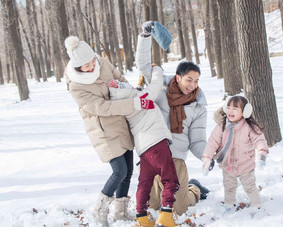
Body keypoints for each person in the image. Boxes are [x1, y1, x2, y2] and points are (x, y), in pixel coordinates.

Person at [63, 36, 155, 226]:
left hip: (122, 122)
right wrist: (133, 104)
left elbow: (120, 78)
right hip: (103, 130)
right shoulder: (76, 86)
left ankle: (120, 212)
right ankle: (100, 209)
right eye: (86, 66)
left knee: (128, 170)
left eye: (92, 61)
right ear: (77, 67)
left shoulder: (102, 63)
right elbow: (102, 107)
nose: (91, 66)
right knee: (119, 171)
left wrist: (129, 90)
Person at [139, 22, 210, 216]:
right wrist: (144, 37)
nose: (193, 85)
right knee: (152, 207)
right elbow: (144, 66)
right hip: (154, 156)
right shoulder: (159, 90)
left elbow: (197, 140)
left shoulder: (198, 107)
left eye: (196, 81)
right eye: (189, 80)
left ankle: (194, 189)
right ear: (178, 78)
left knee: (178, 209)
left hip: (177, 158)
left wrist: (207, 155)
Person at [107, 67, 179, 226]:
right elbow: (154, 86)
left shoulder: (126, 104)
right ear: (124, 90)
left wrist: (137, 88)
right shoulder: (141, 97)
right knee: (170, 179)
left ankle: (142, 216)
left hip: (143, 151)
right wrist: (157, 70)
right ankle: (167, 213)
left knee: (144, 183)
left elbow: (135, 98)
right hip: (157, 144)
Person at [202, 96, 269, 215]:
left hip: (245, 164)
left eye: (235, 108)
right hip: (228, 164)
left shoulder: (249, 127)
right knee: (229, 186)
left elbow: (259, 140)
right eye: (228, 108)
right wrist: (207, 158)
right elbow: (212, 142)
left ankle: (257, 206)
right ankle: (229, 204)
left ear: (245, 112)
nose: (230, 111)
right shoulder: (222, 127)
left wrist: (262, 154)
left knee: (249, 186)